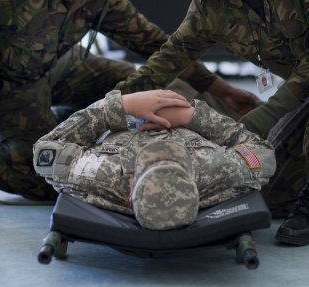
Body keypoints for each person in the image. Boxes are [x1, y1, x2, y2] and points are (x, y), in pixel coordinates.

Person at [0, 0, 255, 202]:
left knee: (142, 85)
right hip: (12, 85)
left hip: (59, 67)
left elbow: (152, 43)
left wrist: (220, 90)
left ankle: (64, 122)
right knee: (46, 175)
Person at [115, 0, 309, 244]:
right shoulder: (210, 2)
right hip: (300, 91)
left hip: (298, 88)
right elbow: (171, 56)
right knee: (271, 189)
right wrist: (112, 106)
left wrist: (267, 115)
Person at [33, 89, 276, 230]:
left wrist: (119, 106)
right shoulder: (218, 170)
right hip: (184, 109)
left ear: (128, 192)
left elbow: (46, 148)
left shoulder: (102, 174)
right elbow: (261, 150)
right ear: (195, 183)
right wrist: (194, 117)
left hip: (126, 116)